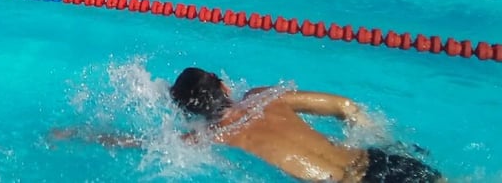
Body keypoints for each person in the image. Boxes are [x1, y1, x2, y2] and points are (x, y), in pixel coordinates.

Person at [52, 67, 445, 183]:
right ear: (223, 85)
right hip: (382, 162)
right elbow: (345, 106)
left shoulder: (206, 136)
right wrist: (384, 139)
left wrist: (80, 134)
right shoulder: (265, 96)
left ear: (188, 113)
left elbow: (133, 143)